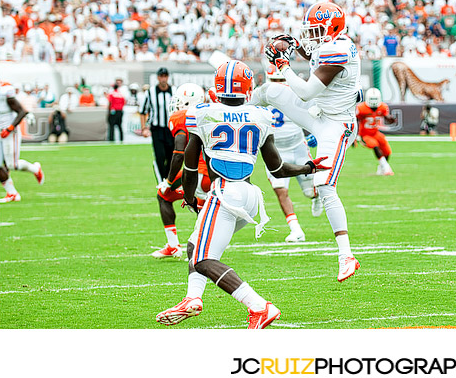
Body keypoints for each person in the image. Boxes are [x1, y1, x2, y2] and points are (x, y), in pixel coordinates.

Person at [156, 60, 330, 328]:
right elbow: (278, 168)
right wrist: (308, 166)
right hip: (249, 195)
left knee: (202, 259)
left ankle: (259, 306)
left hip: (225, 193)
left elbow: (190, 167)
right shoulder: (260, 116)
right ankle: (193, 298)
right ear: (247, 87)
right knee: (195, 244)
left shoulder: (202, 113)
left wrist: (189, 198)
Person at [253, 0, 362, 282]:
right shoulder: (329, 43)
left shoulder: (339, 50)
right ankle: (236, 111)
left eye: (315, 30)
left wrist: (284, 65)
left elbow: (305, 92)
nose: (310, 36)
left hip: (337, 126)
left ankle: (346, 255)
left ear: (332, 29)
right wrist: (293, 45)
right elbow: (312, 53)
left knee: (324, 185)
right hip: (321, 116)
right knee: (271, 93)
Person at [263, 66, 322, 243]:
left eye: (281, 80)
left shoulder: (297, 94)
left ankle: (315, 197)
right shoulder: (260, 97)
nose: (279, 85)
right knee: (281, 190)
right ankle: (296, 229)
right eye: (275, 81)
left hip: (298, 148)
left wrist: (315, 132)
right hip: (275, 151)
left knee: (309, 192)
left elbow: (315, 113)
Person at [151, 83, 209, 259]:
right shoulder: (209, 111)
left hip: (196, 172)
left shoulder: (181, 116)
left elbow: (178, 154)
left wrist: (168, 182)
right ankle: (179, 246)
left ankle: (179, 246)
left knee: (164, 195)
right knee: (203, 206)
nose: (176, 104)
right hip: (215, 172)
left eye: (179, 101)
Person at [0, 79, 45, 202]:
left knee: (12, 165)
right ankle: (12, 193)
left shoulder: (4, 92)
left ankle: (35, 169)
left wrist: (10, 128)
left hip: (9, 131)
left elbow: (21, 112)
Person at [139, 67, 175, 183]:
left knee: (172, 157)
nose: (163, 79)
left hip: (171, 129)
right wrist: (144, 128)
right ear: (158, 77)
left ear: (167, 77)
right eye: (161, 76)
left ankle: (168, 181)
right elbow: (143, 111)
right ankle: (162, 181)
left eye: (165, 76)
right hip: (157, 129)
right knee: (160, 156)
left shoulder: (174, 91)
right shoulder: (150, 92)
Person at [356, 87, 396, 175]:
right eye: (372, 99)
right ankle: (386, 168)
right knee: (375, 145)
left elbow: (386, 116)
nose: (373, 101)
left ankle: (381, 167)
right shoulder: (361, 108)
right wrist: (354, 136)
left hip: (375, 133)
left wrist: (390, 119)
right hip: (365, 135)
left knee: (387, 151)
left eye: (375, 99)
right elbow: (355, 121)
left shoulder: (382, 107)